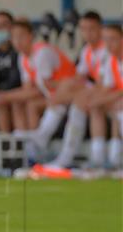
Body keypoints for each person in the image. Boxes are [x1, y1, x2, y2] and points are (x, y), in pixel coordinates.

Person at [42, 24, 123, 170]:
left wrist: (97, 99)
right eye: (107, 40)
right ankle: (92, 158)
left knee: (118, 106)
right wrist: (91, 99)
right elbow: (105, 88)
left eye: (113, 39)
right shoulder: (111, 60)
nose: (109, 44)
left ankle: (116, 157)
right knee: (87, 104)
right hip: (116, 100)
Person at [28, 11, 106, 159]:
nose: (87, 33)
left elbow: (105, 83)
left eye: (91, 29)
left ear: (100, 28)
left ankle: (63, 152)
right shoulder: (87, 50)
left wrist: (63, 93)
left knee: (77, 99)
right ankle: (45, 142)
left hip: (108, 92)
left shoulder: (106, 49)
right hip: (94, 92)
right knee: (68, 89)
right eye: (83, 29)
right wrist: (63, 92)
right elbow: (78, 78)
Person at [0, 20, 75, 134]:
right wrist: (4, 96)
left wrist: (4, 96)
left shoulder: (42, 53)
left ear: (31, 36)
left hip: (67, 94)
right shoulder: (22, 57)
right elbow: (27, 90)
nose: (17, 41)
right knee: (17, 101)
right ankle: (21, 137)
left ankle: (34, 141)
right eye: (14, 37)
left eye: (21, 36)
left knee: (31, 105)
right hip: (51, 94)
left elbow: (41, 89)